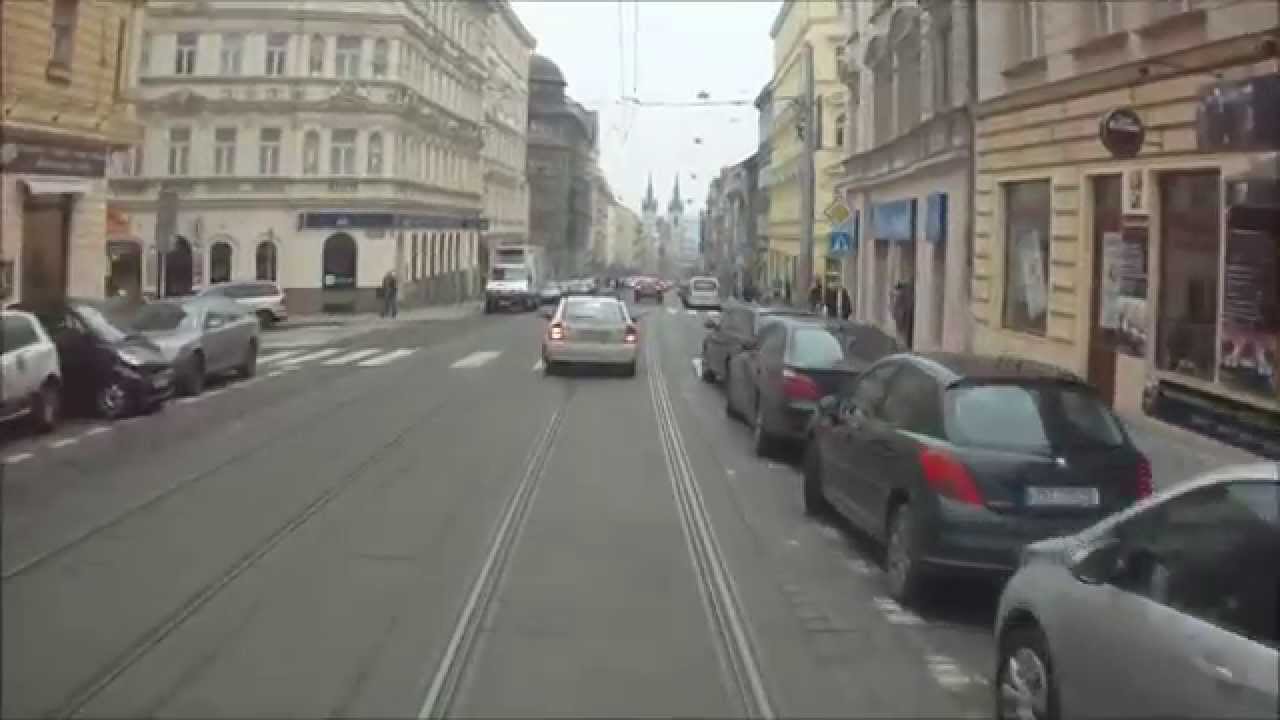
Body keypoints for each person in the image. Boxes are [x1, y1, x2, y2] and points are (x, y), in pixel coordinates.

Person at [891, 281, 914, 349]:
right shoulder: (902, 297)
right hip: (904, 323)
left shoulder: (901, 297)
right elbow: (896, 311)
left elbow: (897, 311)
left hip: (904, 323)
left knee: (903, 341)